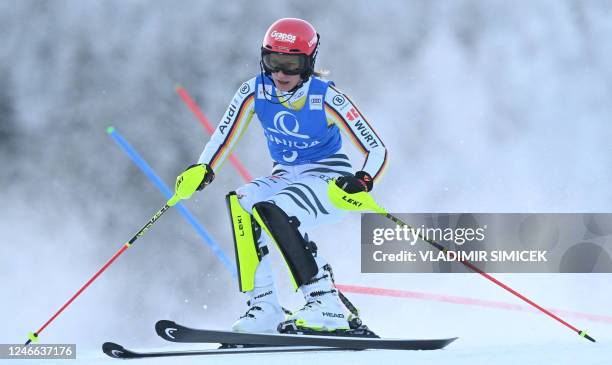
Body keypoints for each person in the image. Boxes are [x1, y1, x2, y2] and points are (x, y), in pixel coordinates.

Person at [178, 18, 388, 334]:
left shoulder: (325, 97)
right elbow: (223, 136)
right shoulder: (254, 90)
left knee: (275, 208)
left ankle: (325, 304)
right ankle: (264, 307)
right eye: (272, 62)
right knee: (244, 202)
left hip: (329, 181)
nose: (280, 74)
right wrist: (203, 169)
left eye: (291, 65)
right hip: (286, 176)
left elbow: (377, 149)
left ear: (309, 63)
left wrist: (363, 180)